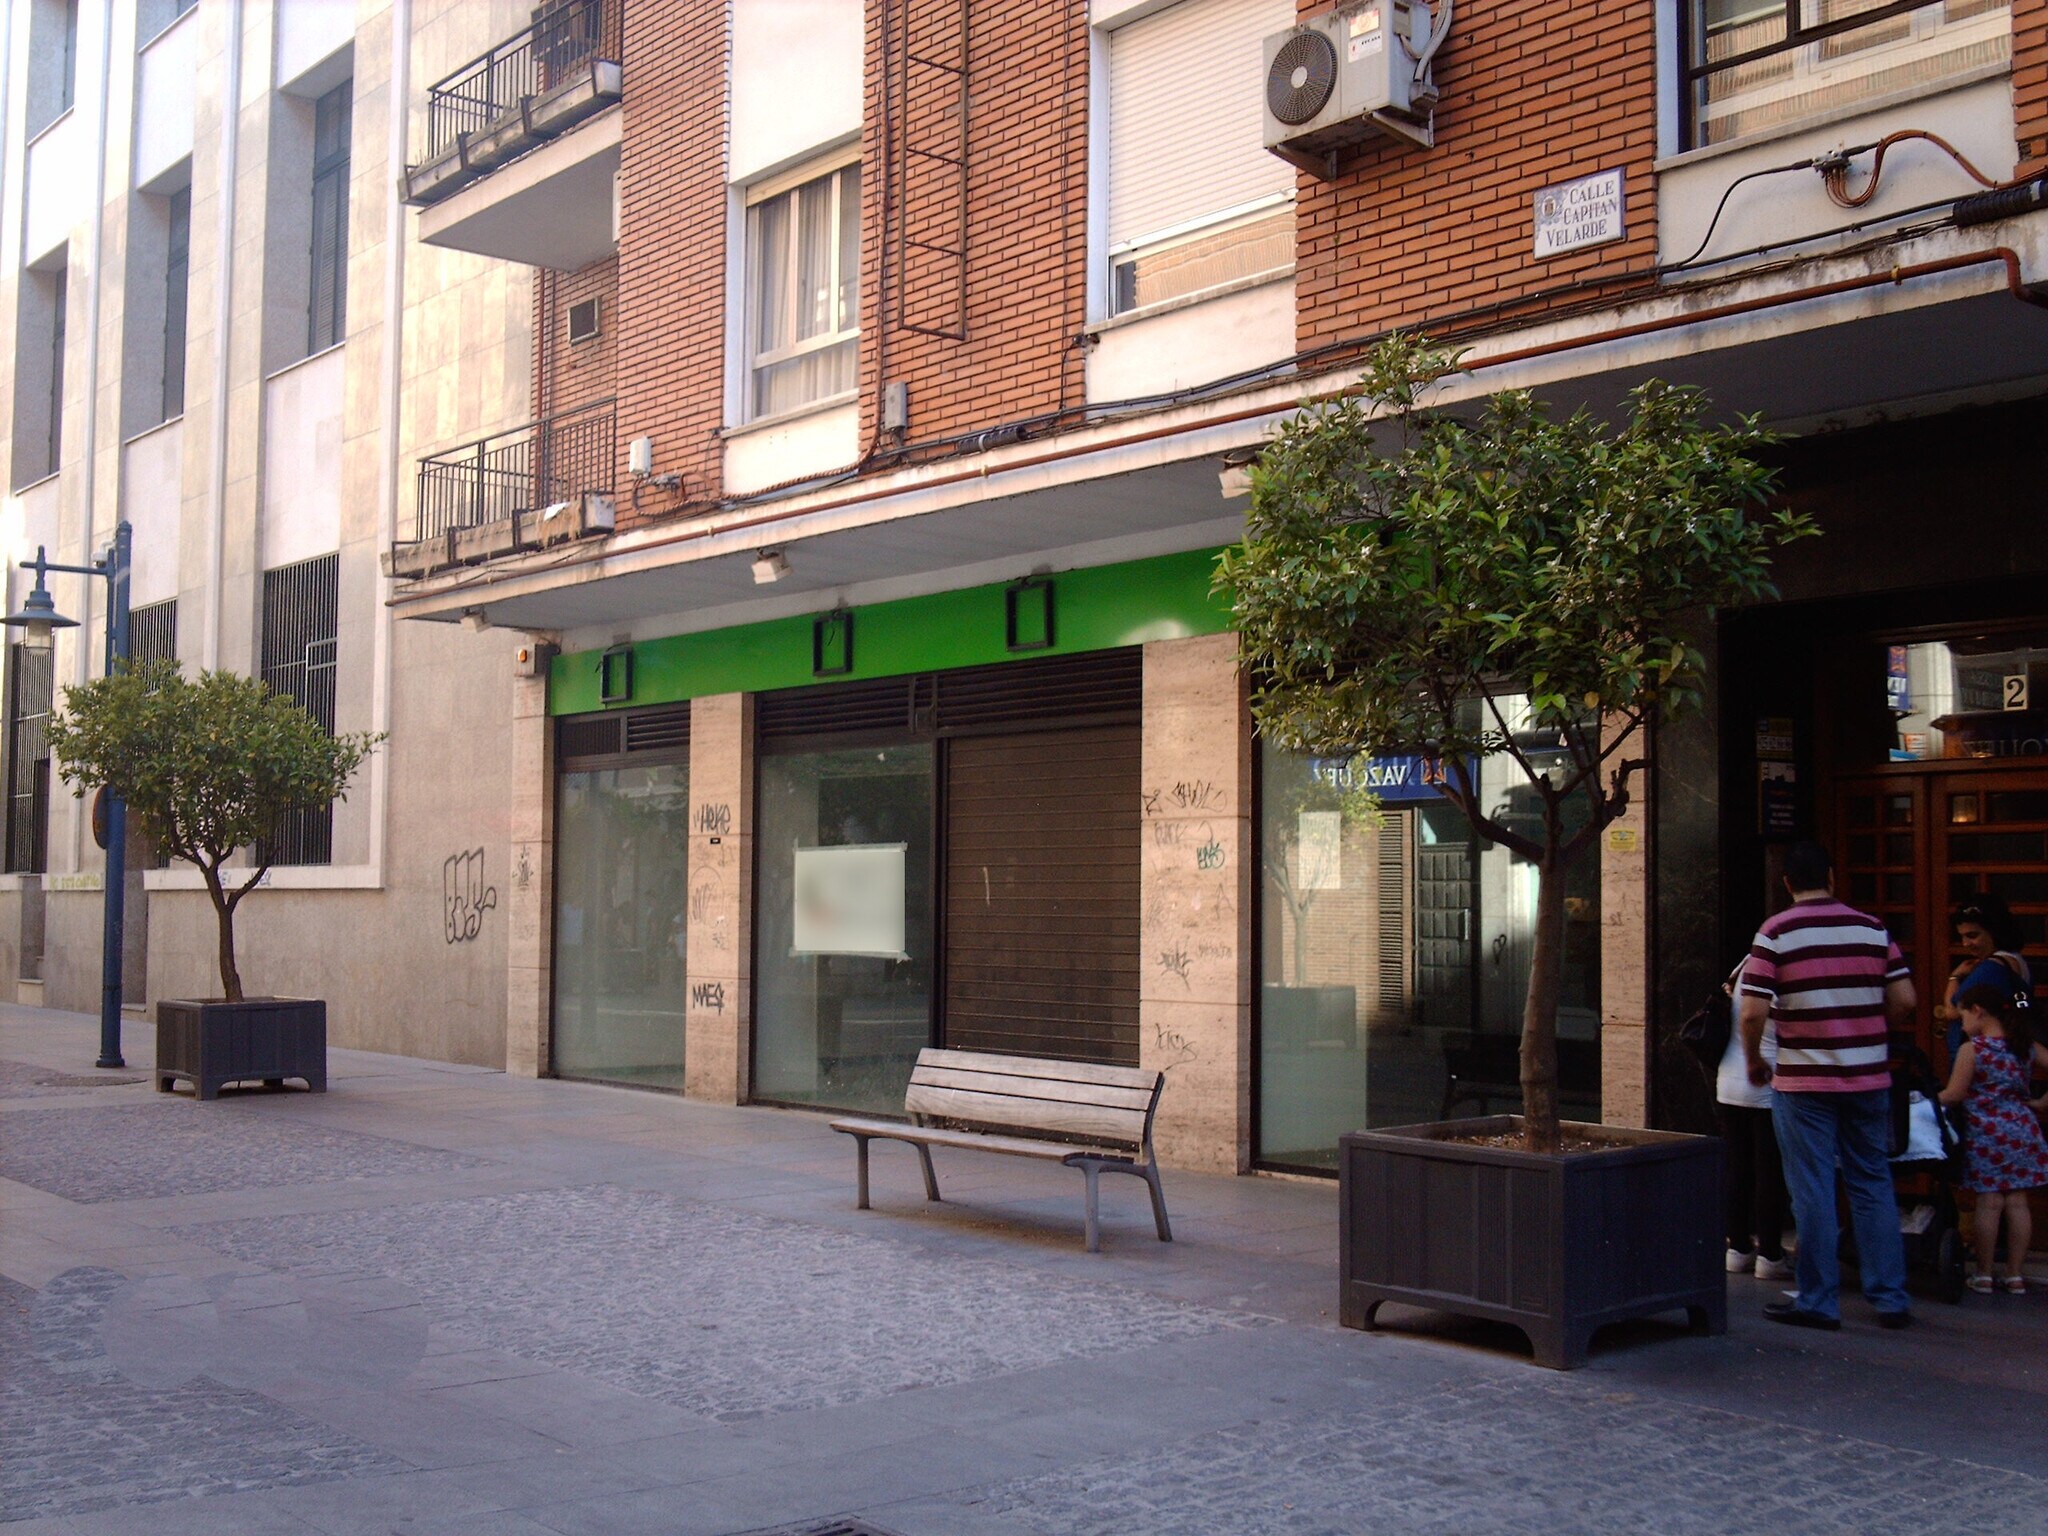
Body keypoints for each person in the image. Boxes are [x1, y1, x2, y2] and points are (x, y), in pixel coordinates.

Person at [1738, 840, 1916, 1331]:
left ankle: (1819, 1300)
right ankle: (1891, 1297)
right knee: (1872, 1181)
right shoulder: (1872, 929)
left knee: (1812, 1187)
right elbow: (1905, 1000)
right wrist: (1867, 1030)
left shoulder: (1775, 933)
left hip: (1804, 1082)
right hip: (1868, 1077)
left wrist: (1755, 1061)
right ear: (1833, 878)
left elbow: (1752, 1011)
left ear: (1788, 883)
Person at [1938, 983, 2048, 1294]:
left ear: (1977, 1011)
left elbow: (1955, 1094)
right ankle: (2015, 1275)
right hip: (2023, 1129)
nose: (1963, 1025)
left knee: (1989, 1203)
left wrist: (1927, 1100)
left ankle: (1984, 1274)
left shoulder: (1973, 1049)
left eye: (1963, 1018)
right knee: (2017, 1202)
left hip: (1986, 1132)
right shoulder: (2025, 1045)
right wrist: (2041, 1103)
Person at [1716, 959, 1792, 1279]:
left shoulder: (1743, 965)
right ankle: (1770, 1254)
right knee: (1769, 1170)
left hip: (1729, 1080)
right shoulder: (1778, 968)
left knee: (1738, 1166)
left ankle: (1738, 1248)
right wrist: (1755, 1060)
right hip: (1766, 1077)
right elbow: (1753, 1016)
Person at [1936, 893, 2033, 1066]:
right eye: (1962, 937)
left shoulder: (1992, 969)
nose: (1966, 943)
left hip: (1986, 1068)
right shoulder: (2015, 959)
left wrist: (1954, 977)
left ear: (1994, 931)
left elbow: (1953, 1012)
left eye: (1972, 935)